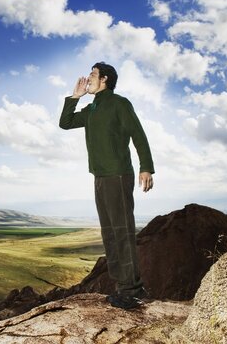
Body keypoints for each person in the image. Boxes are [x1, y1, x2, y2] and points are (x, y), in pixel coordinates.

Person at [59, 61, 154, 310]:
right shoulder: (92, 109)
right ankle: (122, 287)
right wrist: (75, 97)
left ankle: (132, 291)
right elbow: (65, 123)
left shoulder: (119, 104)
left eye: (92, 75)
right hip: (100, 177)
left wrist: (146, 167)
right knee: (109, 234)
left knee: (122, 232)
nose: (87, 78)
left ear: (105, 80)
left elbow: (138, 134)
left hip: (119, 176)